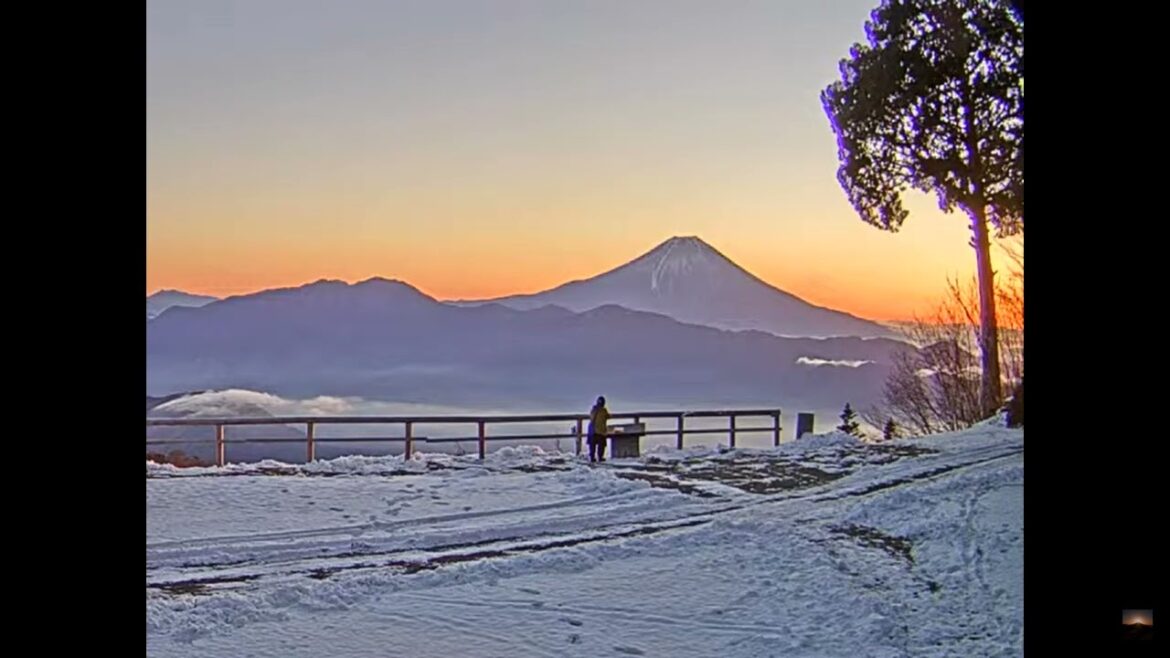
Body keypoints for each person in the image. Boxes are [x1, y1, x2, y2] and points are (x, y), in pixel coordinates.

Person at [587, 396, 610, 463]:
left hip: (595, 431)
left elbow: (591, 418)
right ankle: (599, 457)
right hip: (600, 431)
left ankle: (593, 457)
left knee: (593, 445)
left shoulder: (595, 409)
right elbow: (608, 416)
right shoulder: (603, 410)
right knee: (601, 445)